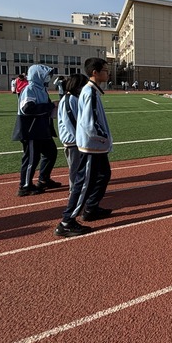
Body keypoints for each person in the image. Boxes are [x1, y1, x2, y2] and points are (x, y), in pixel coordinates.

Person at [54, 58, 114, 237]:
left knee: (104, 175)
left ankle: (91, 208)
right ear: (95, 72)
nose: (107, 73)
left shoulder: (92, 91)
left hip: (97, 147)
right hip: (92, 147)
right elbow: (90, 123)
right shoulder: (90, 92)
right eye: (104, 70)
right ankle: (67, 221)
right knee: (83, 184)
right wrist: (103, 138)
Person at [11, 64, 62, 196]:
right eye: (46, 75)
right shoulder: (30, 89)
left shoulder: (42, 89)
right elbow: (27, 108)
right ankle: (25, 186)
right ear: (38, 76)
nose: (48, 78)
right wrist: (51, 105)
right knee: (31, 159)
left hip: (42, 129)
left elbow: (45, 108)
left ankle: (43, 179)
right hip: (31, 130)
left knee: (51, 153)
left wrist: (53, 108)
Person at [56, 74, 89, 195]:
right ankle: (74, 192)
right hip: (73, 140)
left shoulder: (74, 98)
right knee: (75, 167)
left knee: (80, 166)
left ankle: (79, 189)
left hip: (76, 139)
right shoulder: (69, 100)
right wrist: (80, 137)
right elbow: (70, 121)